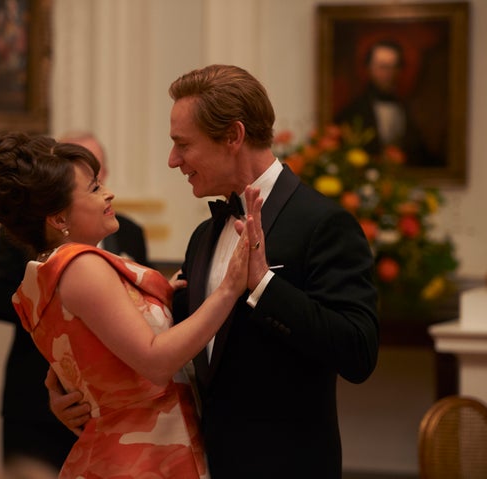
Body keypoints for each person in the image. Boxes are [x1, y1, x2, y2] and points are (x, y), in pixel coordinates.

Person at [49, 64, 380, 478]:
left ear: (233, 137)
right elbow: (163, 338)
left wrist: (263, 285)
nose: (173, 161)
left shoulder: (323, 224)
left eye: (183, 144)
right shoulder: (205, 234)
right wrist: (66, 382)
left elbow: (358, 352)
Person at [0, 132, 260, 478]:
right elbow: (155, 362)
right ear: (59, 219)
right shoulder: (80, 265)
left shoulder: (47, 268)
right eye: (93, 188)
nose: (108, 193)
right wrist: (229, 287)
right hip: (139, 456)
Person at [0, 131, 150, 471]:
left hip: (124, 413)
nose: (100, 189)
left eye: (95, 178)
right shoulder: (23, 238)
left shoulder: (128, 231)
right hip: (37, 401)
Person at [335, 39, 441, 167]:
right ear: (368, 68)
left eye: (394, 66)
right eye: (383, 67)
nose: (388, 73)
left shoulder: (409, 109)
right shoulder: (352, 112)